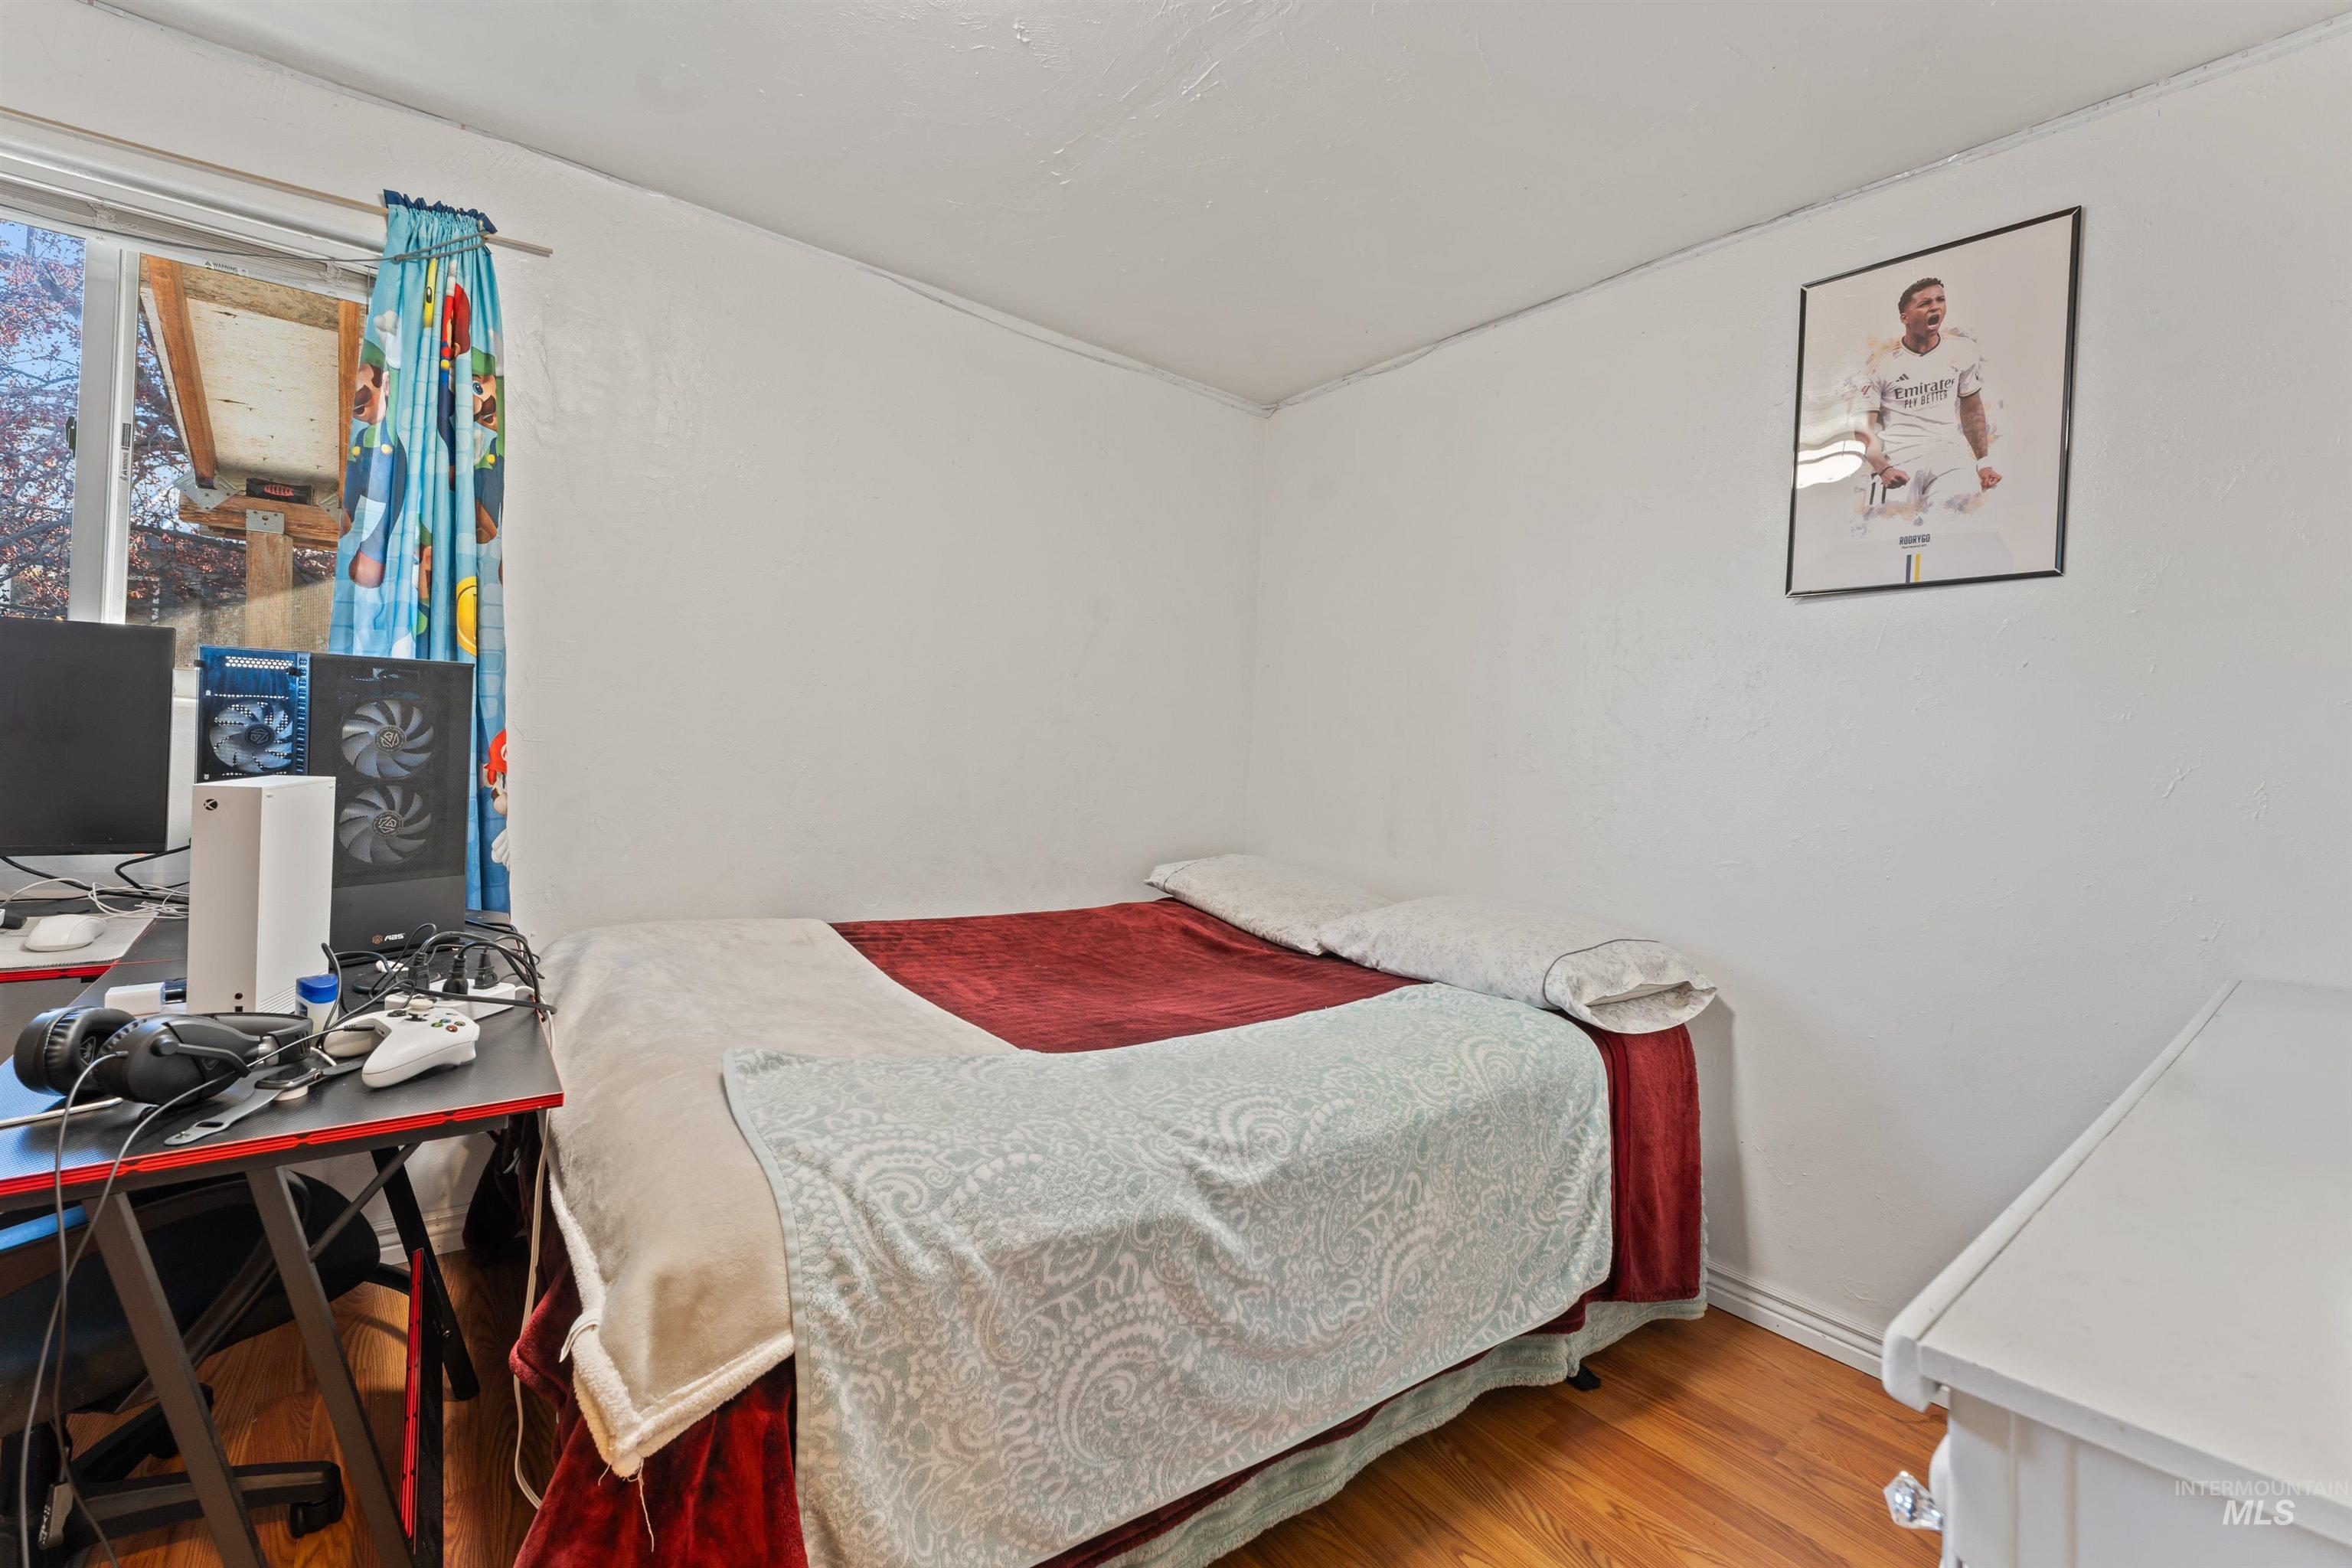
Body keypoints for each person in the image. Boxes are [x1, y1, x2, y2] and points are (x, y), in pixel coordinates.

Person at [1852, 277, 2009, 583]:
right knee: (1893, 555)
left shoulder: (1962, 351)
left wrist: (1982, 463)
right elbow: (1863, 429)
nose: (1935, 307)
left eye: (1940, 300)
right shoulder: (1879, 366)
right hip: (1897, 467)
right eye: (1925, 303)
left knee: (1954, 541)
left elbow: (1972, 409)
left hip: (1950, 460)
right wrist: (1882, 467)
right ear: (1905, 317)